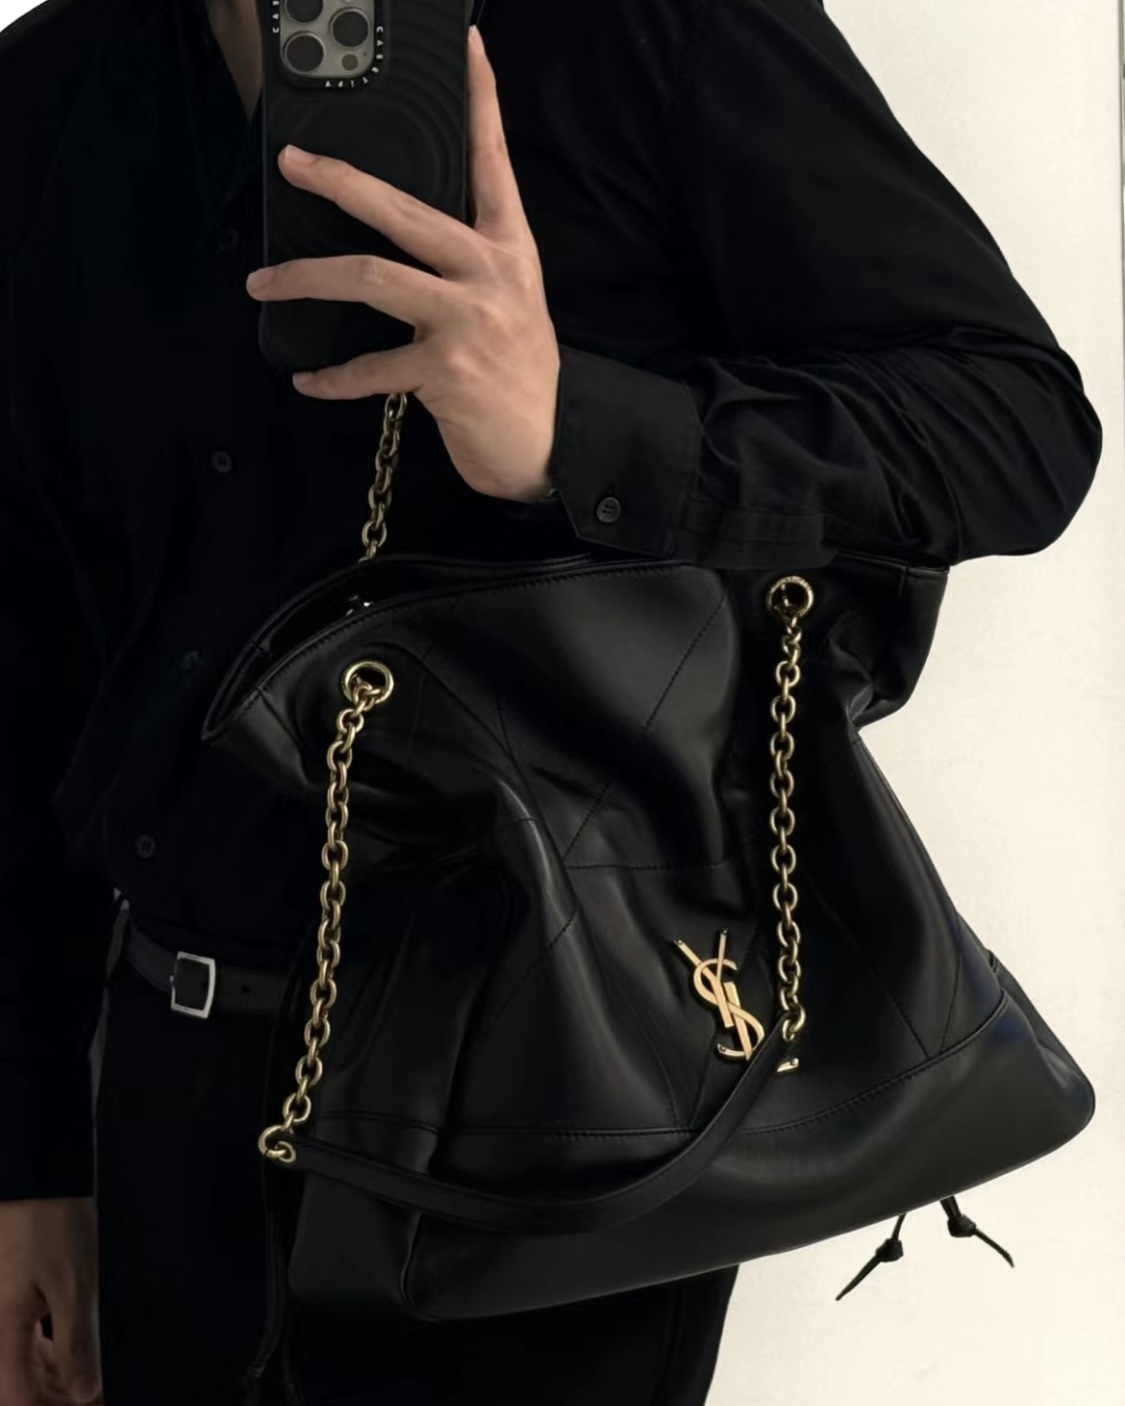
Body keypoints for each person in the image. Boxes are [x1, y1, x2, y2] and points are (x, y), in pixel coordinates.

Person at [0, 0, 1103, 1402]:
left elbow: (1013, 423)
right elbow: (27, 662)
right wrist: (28, 1158)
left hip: (560, 1095)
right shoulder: (57, 84)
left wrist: (573, 428)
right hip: (170, 1081)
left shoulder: (651, 28)